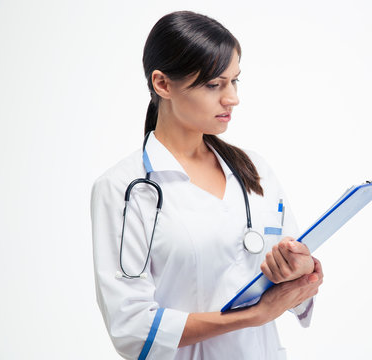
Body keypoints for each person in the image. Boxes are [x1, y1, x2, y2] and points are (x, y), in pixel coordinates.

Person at [90, 10, 323, 360]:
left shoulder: (255, 170)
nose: (232, 98)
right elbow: (132, 330)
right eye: (214, 84)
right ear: (162, 84)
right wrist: (252, 316)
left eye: (235, 81)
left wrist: (301, 272)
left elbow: (291, 292)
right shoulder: (125, 189)